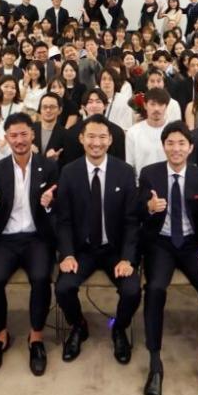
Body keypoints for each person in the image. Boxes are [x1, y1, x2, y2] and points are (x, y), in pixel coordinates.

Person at [134, 122, 198, 395]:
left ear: (190, 147)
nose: (176, 149)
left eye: (181, 143)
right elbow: (136, 210)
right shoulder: (149, 173)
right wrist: (148, 208)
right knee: (155, 289)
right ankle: (155, 364)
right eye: (170, 143)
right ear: (163, 146)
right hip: (160, 243)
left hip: (192, 245)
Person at [52, 116, 140, 366]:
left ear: (110, 140)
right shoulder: (69, 172)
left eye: (102, 137)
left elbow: (132, 221)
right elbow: (63, 220)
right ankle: (78, 325)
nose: (96, 142)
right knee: (63, 288)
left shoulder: (125, 172)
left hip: (115, 250)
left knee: (132, 290)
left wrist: (127, 258)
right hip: (83, 250)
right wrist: (67, 254)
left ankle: (119, 328)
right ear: (81, 138)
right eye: (91, 136)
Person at [0, 113, 60, 376]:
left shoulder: (49, 167)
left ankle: (36, 337)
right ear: (6, 138)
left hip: (37, 237)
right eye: (13, 135)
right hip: (6, 239)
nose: (19, 140)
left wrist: (49, 205)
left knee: (41, 278)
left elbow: (59, 208)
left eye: (24, 134)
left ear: (32, 135)